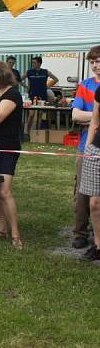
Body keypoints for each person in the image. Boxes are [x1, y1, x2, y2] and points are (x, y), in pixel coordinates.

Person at [0, 61, 24, 249]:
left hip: (8, 149)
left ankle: (16, 235)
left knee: (5, 192)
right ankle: (2, 229)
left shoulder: (12, 95)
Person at [70, 45, 100, 249]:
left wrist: (89, 117)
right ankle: (80, 233)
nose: (96, 65)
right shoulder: (85, 85)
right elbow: (75, 115)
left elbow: (83, 116)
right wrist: (96, 116)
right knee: (82, 192)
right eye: (92, 62)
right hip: (86, 146)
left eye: (99, 61)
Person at [77, 80, 100, 262]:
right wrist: (88, 148)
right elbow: (94, 121)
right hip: (96, 150)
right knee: (94, 203)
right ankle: (98, 246)